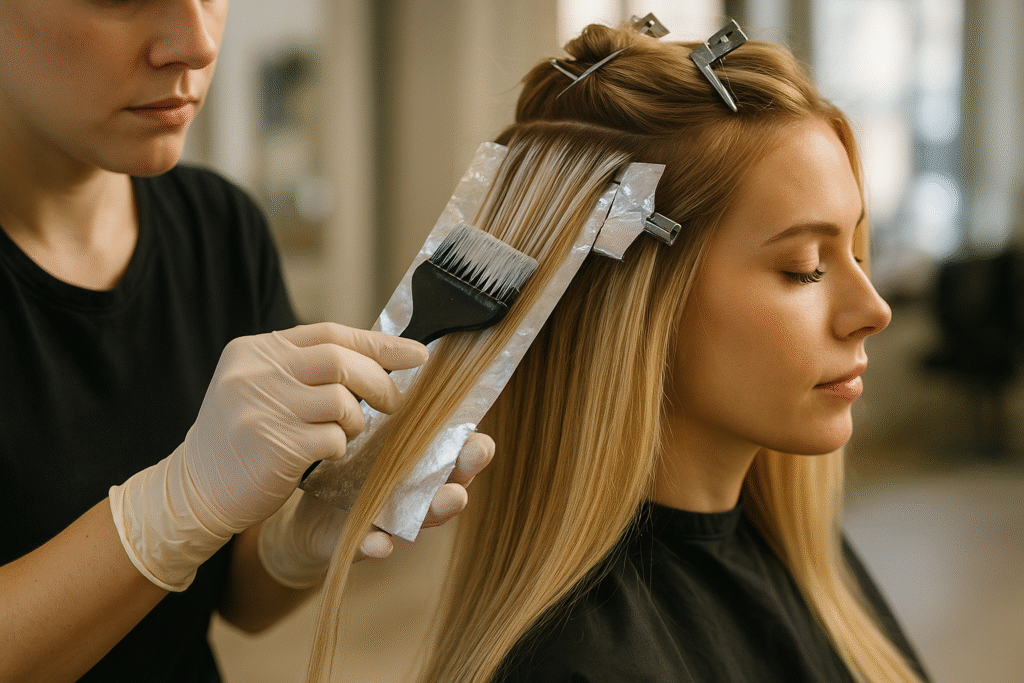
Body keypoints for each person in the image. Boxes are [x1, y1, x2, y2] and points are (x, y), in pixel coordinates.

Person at [302, 19, 932, 683]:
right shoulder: (585, 664)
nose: (874, 309)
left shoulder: (808, 558)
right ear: (640, 304)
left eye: (858, 252)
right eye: (805, 266)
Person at [0, 2, 492, 682]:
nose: (198, 45)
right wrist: (171, 507)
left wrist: (294, 547)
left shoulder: (221, 229)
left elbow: (237, 601)